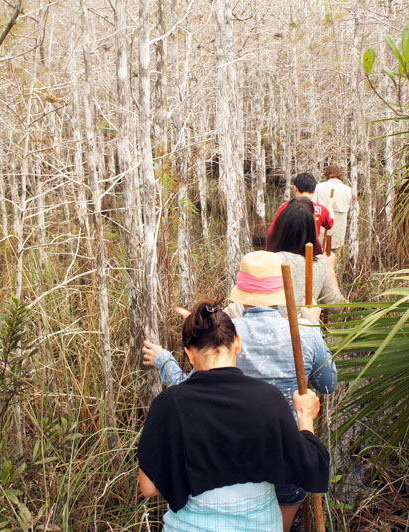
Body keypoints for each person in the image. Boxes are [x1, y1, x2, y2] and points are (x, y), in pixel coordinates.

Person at [143, 251, 338, 531]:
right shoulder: (302, 334)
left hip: (217, 467)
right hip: (289, 458)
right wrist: (313, 325)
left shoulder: (226, 334)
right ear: (237, 345)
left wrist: (168, 359)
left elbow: (190, 392)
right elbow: (329, 384)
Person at [267, 197, 344, 313]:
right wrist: (330, 270)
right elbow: (337, 306)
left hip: (272, 330)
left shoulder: (267, 261)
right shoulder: (320, 264)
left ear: (280, 228)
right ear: (312, 231)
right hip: (308, 328)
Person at [268, 172, 335, 239]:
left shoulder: (285, 207)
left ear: (295, 188)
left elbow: (271, 231)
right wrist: (330, 206)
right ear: (314, 191)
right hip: (312, 247)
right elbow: (330, 224)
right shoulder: (321, 209)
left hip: (288, 248)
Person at [314, 164, 352, 257]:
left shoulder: (318, 187)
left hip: (320, 235)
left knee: (319, 261)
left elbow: (312, 208)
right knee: (334, 262)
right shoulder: (348, 190)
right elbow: (356, 212)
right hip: (338, 236)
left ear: (327, 174)